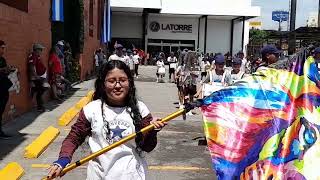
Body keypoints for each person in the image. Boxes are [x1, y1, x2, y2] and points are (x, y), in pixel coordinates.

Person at [47, 60, 166, 180]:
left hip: (132, 175)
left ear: (129, 83)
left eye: (123, 80)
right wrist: (63, 159)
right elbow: (73, 138)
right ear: (102, 84)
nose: (118, 86)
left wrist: (152, 130)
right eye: (111, 81)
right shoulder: (91, 109)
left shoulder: (141, 109)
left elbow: (147, 147)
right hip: (98, 176)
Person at [28, 43, 49, 112]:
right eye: (40, 49)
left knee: (42, 90)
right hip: (38, 77)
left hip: (40, 76)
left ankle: (34, 89)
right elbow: (31, 67)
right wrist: (36, 76)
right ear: (36, 50)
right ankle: (40, 107)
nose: (41, 51)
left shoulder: (37, 56)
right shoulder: (33, 56)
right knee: (42, 90)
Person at [0, 40, 15, 139]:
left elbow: (4, 72)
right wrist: (3, 70)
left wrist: (8, 70)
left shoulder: (2, 59)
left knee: (1, 110)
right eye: (2, 48)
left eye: (4, 48)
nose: (3, 50)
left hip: (3, 87)